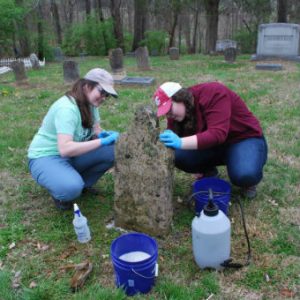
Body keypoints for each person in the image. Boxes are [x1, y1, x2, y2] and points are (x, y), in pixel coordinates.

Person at [153, 81, 268, 199]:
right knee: (178, 154)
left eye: (169, 109)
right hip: (213, 145)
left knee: (244, 174)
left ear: (180, 97)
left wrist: (180, 142)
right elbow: (174, 137)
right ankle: (209, 171)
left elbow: (217, 134)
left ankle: (248, 178)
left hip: (242, 138)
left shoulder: (213, 93)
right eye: (165, 113)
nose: (169, 115)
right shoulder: (176, 114)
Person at [28, 68, 119, 210]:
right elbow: (65, 149)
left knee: (114, 150)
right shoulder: (67, 109)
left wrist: (102, 135)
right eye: (102, 92)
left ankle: (80, 183)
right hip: (46, 156)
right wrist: (101, 142)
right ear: (87, 86)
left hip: (71, 154)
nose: (103, 98)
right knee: (70, 187)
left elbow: (96, 131)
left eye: (107, 95)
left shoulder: (91, 105)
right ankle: (63, 192)